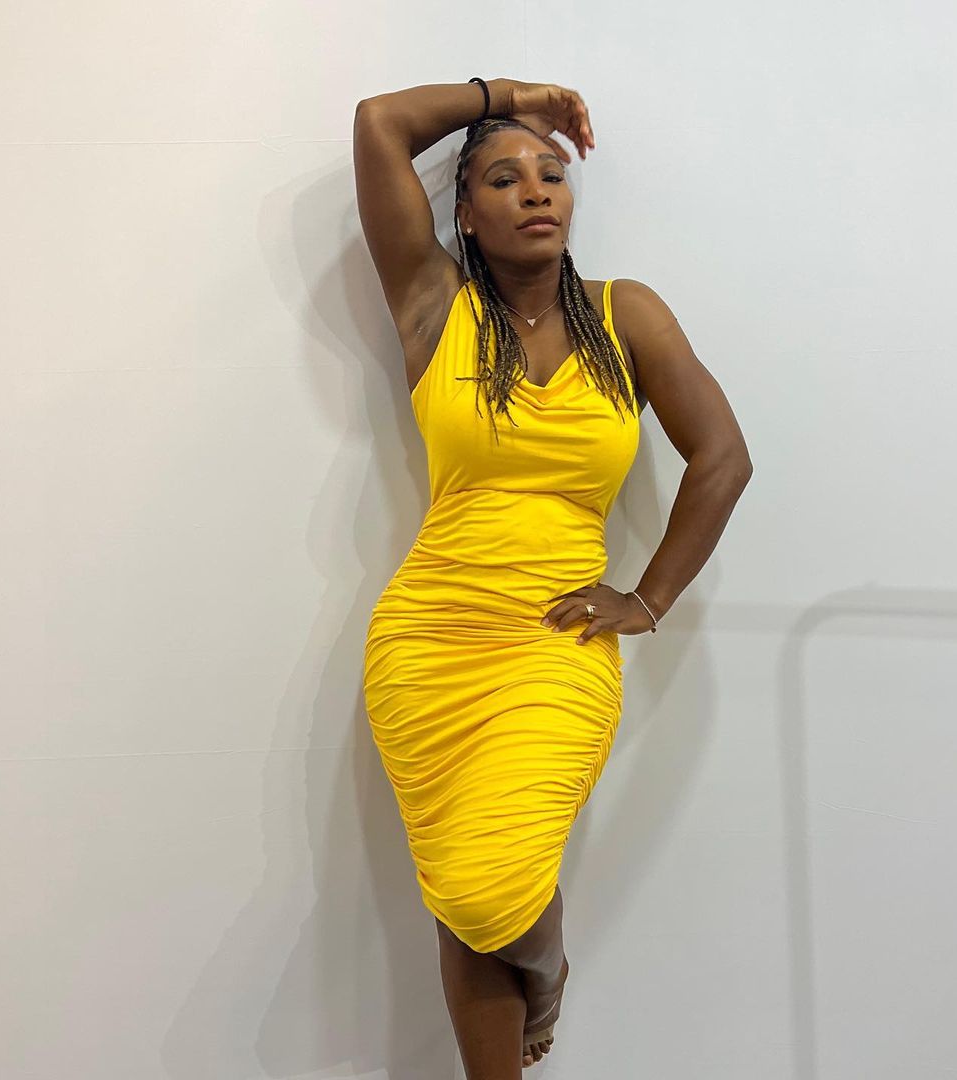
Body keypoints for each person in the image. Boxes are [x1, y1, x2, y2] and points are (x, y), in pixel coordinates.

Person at [354, 77, 752, 1078]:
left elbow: (723, 458)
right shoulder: (434, 305)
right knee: (460, 894)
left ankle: (549, 963)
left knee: (489, 885)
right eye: (503, 179)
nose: (536, 191)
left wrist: (647, 599)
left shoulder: (627, 314)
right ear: (465, 216)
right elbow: (379, 125)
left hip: (556, 637)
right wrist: (511, 93)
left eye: (551, 174)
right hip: (429, 642)